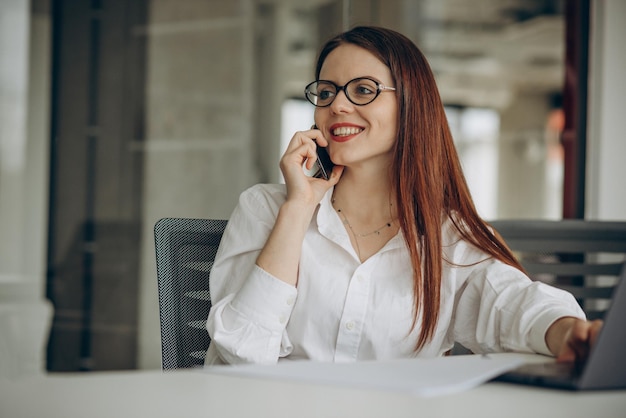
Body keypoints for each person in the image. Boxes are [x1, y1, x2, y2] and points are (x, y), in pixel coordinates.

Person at [204, 26, 602, 365]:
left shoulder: (449, 236)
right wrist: (298, 209)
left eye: (363, 89)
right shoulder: (264, 208)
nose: (337, 104)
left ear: (412, 105)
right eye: (326, 92)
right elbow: (240, 354)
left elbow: (514, 304)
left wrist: (567, 332)